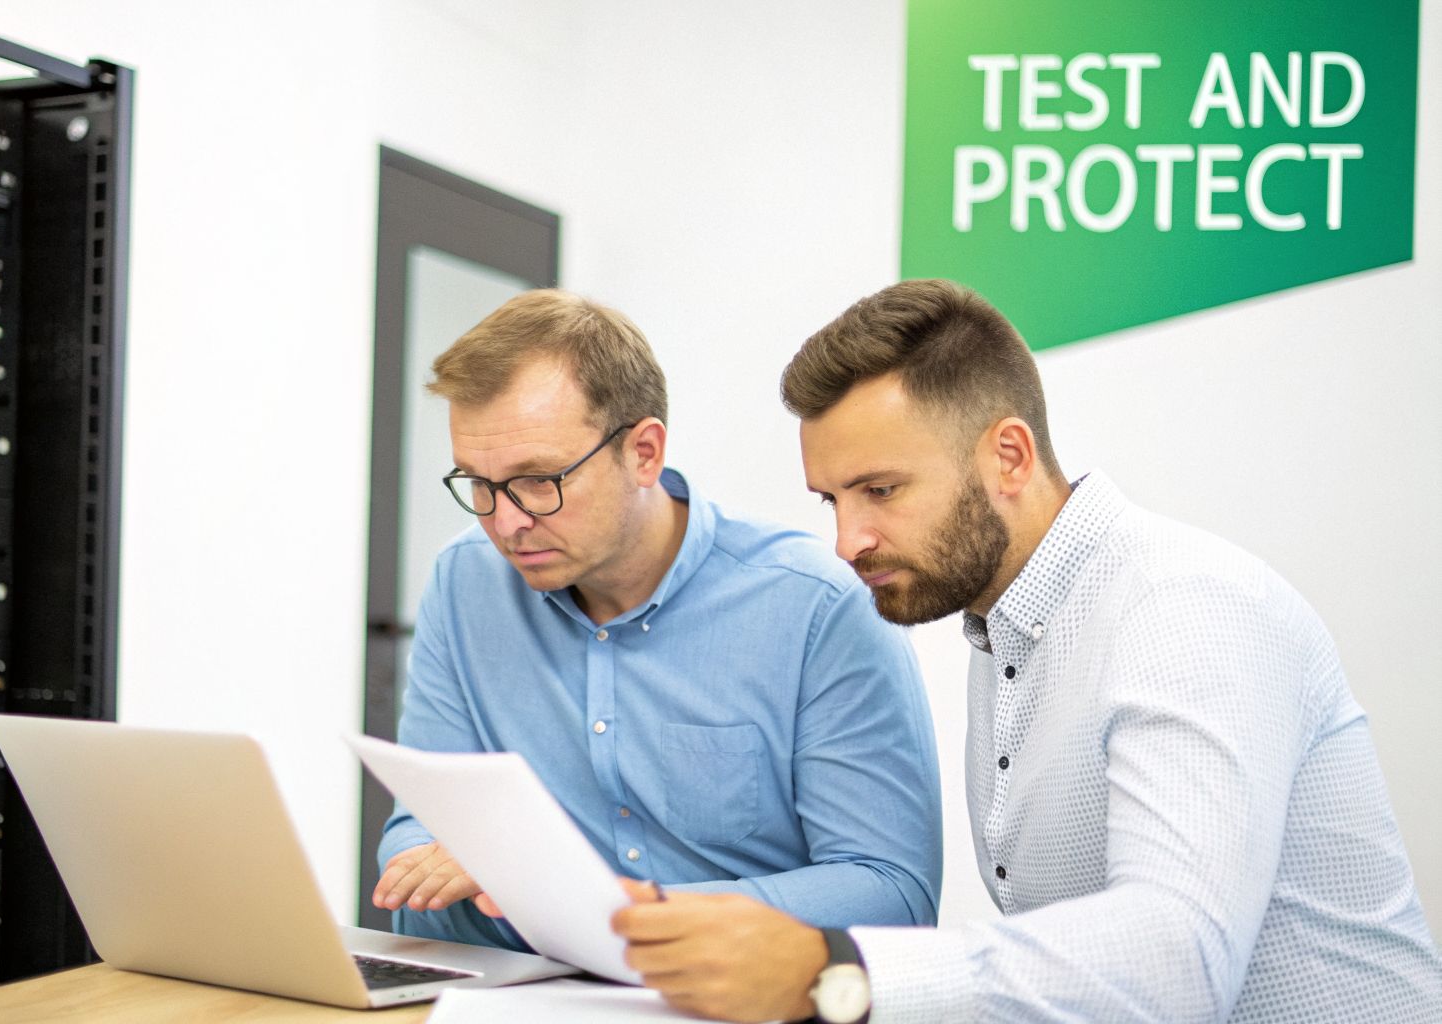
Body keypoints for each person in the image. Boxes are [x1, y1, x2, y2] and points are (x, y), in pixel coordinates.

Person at [612, 278, 1442, 1023]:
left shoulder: (1186, 606)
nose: (847, 539)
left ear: (1008, 456)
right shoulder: (1005, 625)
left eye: (881, 490)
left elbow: (1179, 957)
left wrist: (839, 971)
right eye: (833, 498)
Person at [372, 288, 942, 951]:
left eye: (537, 481)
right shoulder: (464, 583)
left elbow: (893, 895)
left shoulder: (815, 606)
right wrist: (438, 863)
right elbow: (418, 836)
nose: (506, 522)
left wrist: (617, 910)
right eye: (479, 483)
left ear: (644, 452)